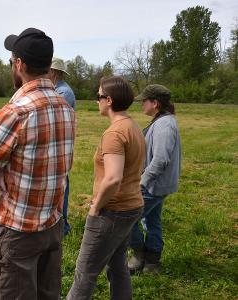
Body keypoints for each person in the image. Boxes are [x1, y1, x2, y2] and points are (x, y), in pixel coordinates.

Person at [0, 28, 75, 299]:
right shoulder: (65, 107)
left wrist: (2, 178)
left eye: (11, 61)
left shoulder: (16, 111)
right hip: (52, 225)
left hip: (18, 229)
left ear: (19, 64)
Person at [67, 76, 145, 300]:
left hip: (112, 211)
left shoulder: (114, 133)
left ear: (109, 100)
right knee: (117, 264)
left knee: (85, 273)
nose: (96, 101)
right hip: (132, 206)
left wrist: (95, 207)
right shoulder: (132, 126)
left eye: (98, 96)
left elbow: (112, 178)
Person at [128, 84, 181, 274]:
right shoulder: (161, 121)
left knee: (129, 219)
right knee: (152, 221)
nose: (142, 104)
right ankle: (152, 262)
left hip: (153, 185)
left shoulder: (165, 125)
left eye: (145, 101)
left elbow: (160, 160)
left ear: (155, 103)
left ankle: (139, 254)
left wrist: (141, 183)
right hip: (156, 185)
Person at [50, 56, 77, 236]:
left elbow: (55, 118)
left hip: (59, 148)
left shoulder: (63, 93)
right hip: (54, 147)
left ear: (53, 72)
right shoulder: (56, 90)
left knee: (61, 188)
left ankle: (63, 227)